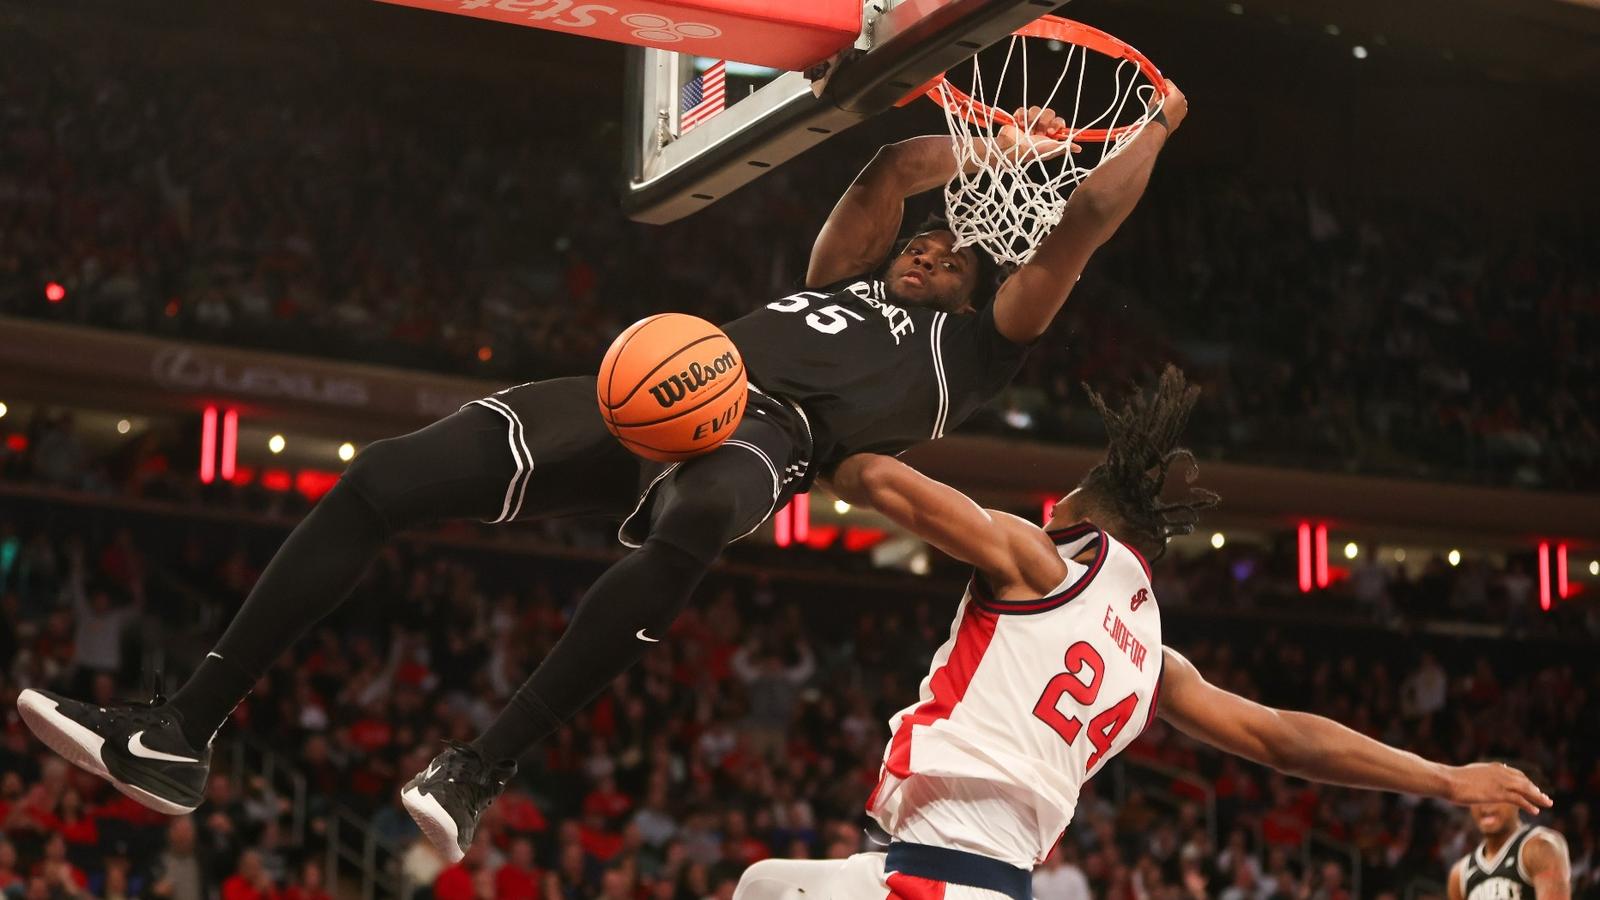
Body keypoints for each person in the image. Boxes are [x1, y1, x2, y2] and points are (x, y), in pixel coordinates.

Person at [17, 84, 1189, 860]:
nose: (931, 244)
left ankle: (479, 769)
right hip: (648, 390)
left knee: (702, 514)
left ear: (980, 287)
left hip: (758, 437)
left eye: (949, 251)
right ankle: (181, 732)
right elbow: (889, 166)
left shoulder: (971, 354)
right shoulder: (841, 273)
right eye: (924, 238)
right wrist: (982, 145)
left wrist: (1142, 130)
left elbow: (1080, 222)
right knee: (383, 480)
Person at [734, 367, 1552, 900]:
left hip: (938, 877)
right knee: (765, 886)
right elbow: (1283, 739)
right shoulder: (1153, 660)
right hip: (973, 877)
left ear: (1074, 514)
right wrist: (1445, 778)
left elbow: (883, 483)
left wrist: (778, 435)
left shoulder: (1038, 560)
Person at [1448, 765, 1571, 900]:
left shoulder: (1542, 847)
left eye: (1496, 794)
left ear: (1517, 798)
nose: (1487, 804)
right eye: (1479, 795)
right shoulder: (1459, 875)